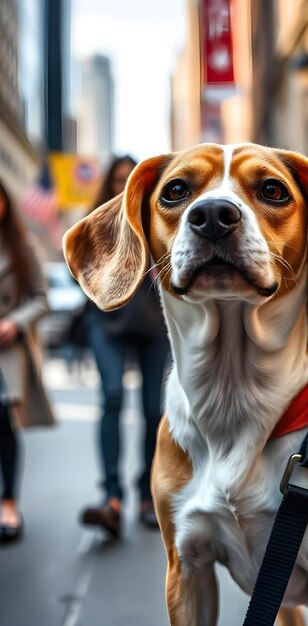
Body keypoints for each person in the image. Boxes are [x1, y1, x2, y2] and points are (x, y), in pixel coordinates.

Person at [80, 156, 170, 538]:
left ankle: (148, 497)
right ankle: (112, 499)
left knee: (153, 409)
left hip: (154, 326)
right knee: (112, 397)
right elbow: (77, 271)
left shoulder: (160, 219)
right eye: (117, 180)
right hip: (108, 323)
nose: (123, 186)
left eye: (129, 180)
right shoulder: (98, 224)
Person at [0, 179, 55, 544]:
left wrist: (14, 323)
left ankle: (8, 502)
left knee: (4, 425)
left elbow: (41, 299)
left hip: (6, 353)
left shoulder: (23, 247)